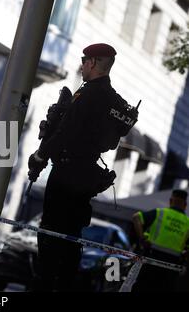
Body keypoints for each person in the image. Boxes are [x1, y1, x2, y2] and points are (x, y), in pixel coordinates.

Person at [28, 43, 134, 291]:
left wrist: (40, 156)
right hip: (87, 175)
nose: (82, 64)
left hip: (66, 171)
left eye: (85, 60)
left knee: (50, 235)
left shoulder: (89, 94)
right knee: (71, 238)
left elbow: (66, 132)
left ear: (94, 63)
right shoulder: (113, 99)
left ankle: (42, 286)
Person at [132, 189, 189, 292]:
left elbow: (136, 217)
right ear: (185, 205)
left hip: (151, 259)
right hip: (172, 265)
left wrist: (142, 239)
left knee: (142, 287)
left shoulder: (160, 213)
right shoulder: (188, 222)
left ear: (171, 201)